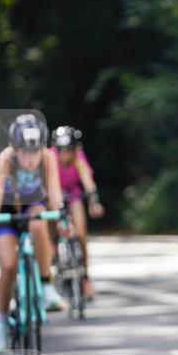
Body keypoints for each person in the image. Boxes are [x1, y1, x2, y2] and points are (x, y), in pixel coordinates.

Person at [0, 114, 71, 355]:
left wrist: (62, 218)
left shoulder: (48, 158)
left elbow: (54, 192)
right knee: (8, 266)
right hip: (8, 212)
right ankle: (0, 322)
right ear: (14, 147)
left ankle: (46, 285)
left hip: (34, 206)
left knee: (39, 223)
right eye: (24, 152)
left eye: (34, 151)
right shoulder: (5, 160)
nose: (30, 159)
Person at [51, 126, 104, 298]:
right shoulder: (50, 157)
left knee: (81, 234)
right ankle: (51, 268)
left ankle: (85, 277)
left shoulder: (78, 158)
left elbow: (87, 180)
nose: (65, 154)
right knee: (52, 231)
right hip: (53, 195)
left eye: (69, 150)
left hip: (72, 194)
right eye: (62, 150)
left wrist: (94, 202)